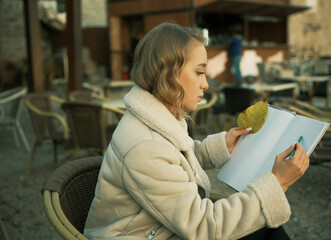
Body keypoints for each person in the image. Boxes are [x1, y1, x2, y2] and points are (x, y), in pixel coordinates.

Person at [84, 22, 309, 240]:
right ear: (168, 73)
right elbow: (202, 227)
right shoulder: (144, 146)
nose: (206, 84)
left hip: (161, 227)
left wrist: (220, 147)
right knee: (266, 229)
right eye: (199, 72)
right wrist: (277, 183)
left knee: (268, 229)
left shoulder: (156, 118)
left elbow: (172, 161)